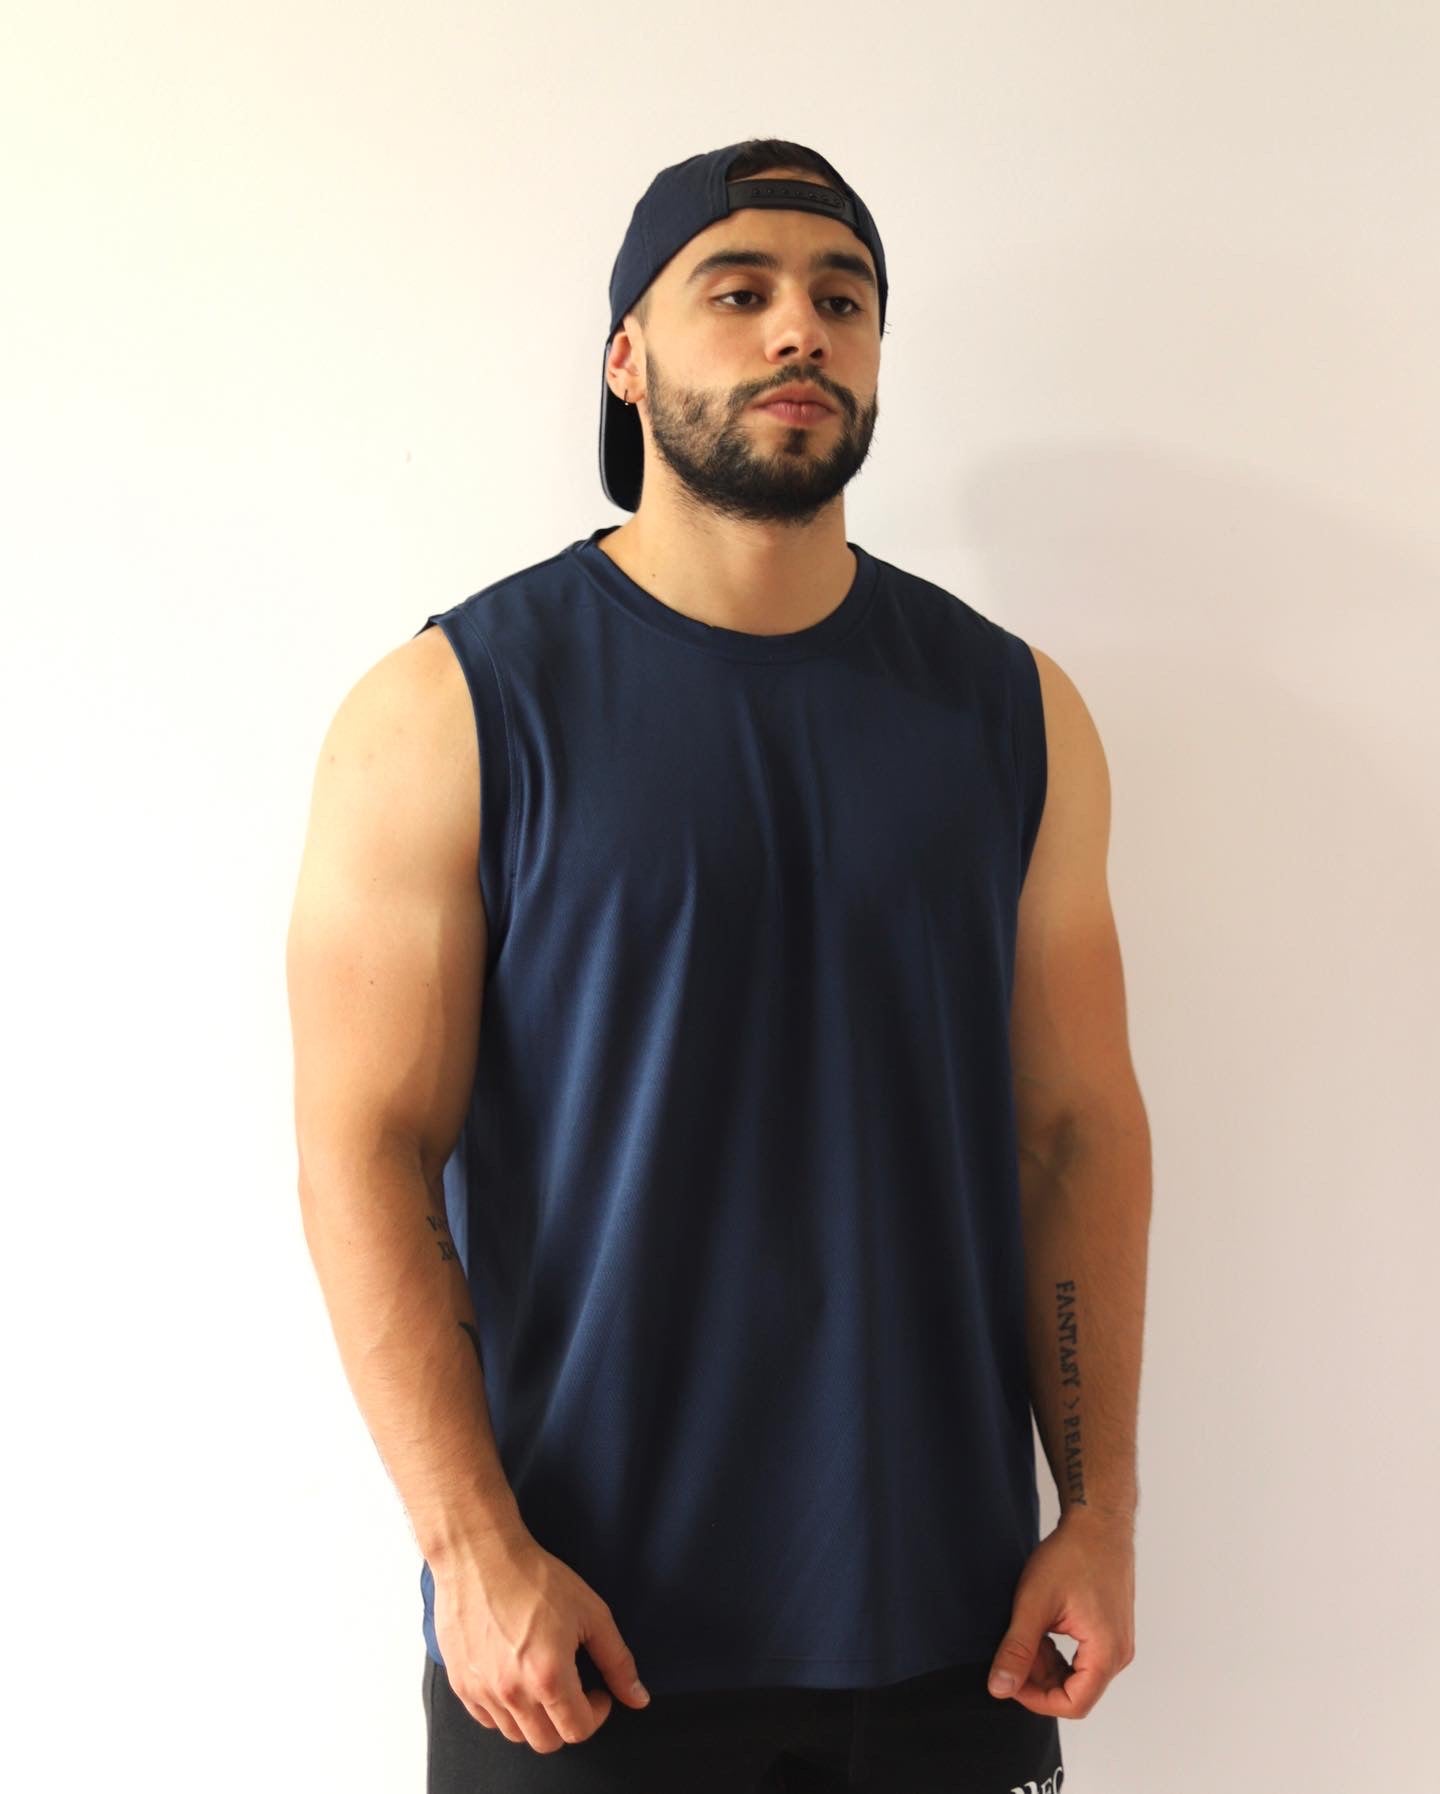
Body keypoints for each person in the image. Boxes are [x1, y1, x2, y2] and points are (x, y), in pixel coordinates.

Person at [286, 137, 1151, 1793]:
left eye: (843, 298)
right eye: (736, 291)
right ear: (626, 356)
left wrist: (1099, 1509)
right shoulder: (452, 708)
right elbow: (363, 1149)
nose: (799, 329)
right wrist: (471, 1550)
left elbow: (1075, 1131)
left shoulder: (1014, 711)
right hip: (575, 1645)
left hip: (951, 1634)